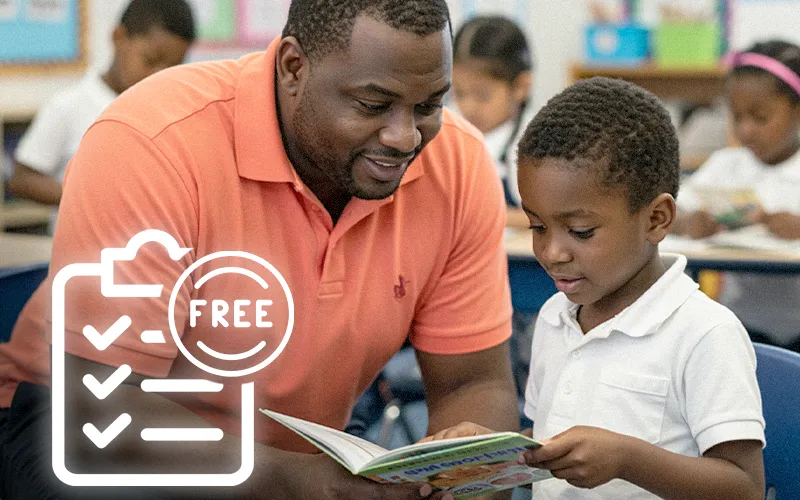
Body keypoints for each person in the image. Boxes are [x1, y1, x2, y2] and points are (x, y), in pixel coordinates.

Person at [0, 1, 519, 499]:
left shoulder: (460, 165)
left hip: (293, 454)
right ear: (294, 67)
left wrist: (463, 477)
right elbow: (99, 410)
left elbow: (473, 383)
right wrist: (300, 484)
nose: (406, 136)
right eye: (373, 105)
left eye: (429, 105)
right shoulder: (153, 140)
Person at [422, 77, 766, 500]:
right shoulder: (554, 317)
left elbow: (744, 487)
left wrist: (627, 459)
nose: (551, 252)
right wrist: (494, 450)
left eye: (580, 232)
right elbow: (549, 442)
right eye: (537, 226)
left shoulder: (704, 334)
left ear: (657, 219)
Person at [6, 0, 196, 233]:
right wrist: (90, 199)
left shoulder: (170, 112)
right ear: (119, 37)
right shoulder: (68, 106)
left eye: (172, 67)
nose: (158, 75)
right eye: (150, 60)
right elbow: (22, 179)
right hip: (80, 250)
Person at [674, 39, 800, 351]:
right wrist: (691, 222)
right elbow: (668, 214)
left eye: (760, 118)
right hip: (740, 324)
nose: (746, 130)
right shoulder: (726, 165)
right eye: (737, 117)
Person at [451, 15, 533, 210]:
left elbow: (545, 219)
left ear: (521, 86)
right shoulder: (448, 131)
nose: (468, 107)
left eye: (482, 96)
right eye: (459, 93)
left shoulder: (531, 143)